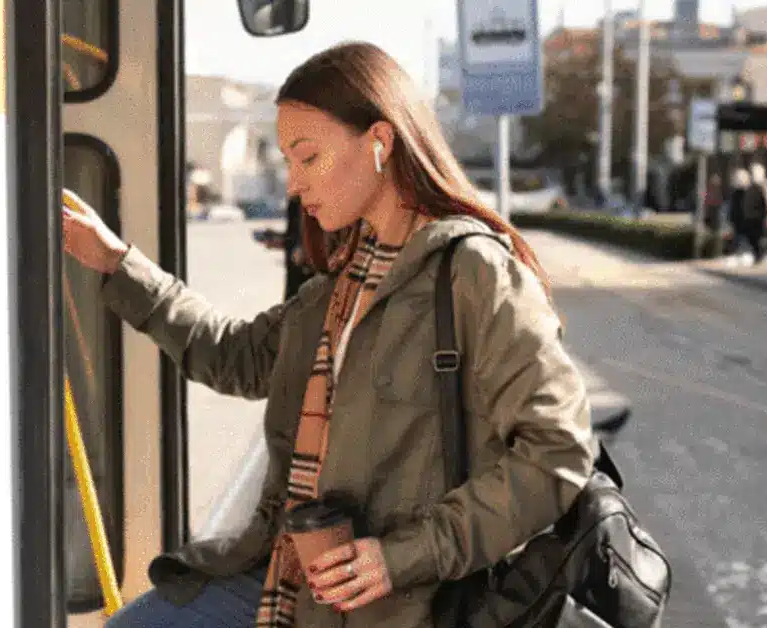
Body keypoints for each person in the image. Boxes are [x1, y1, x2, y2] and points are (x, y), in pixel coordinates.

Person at [62, 41, 595, 628]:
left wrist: (402, 558)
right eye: (288, 159)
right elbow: (235, 355)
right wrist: (117, 264)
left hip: (407, 605)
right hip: (290, 582)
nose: (292, 184)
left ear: (380, 143)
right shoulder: (339, 285)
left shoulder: (475, 274)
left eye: (307, 157)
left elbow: (558, 452)